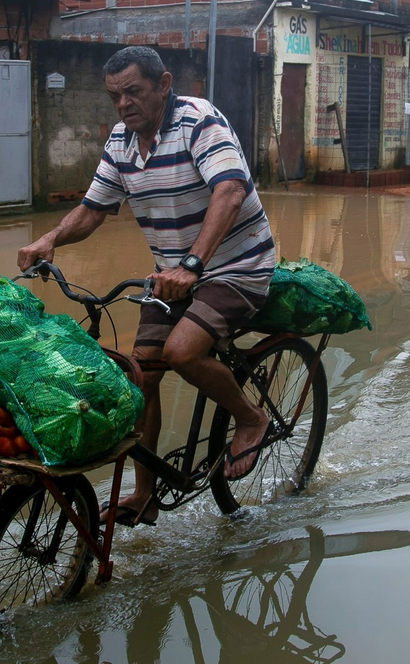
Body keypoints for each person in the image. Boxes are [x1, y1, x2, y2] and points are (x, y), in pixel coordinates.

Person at [17, 46, 276, 526]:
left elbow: (230, 190)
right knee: (139, 378)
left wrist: (194, 264)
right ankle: (145, 493)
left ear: (163, 84)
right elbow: (94, 209)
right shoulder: (121, 142)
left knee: (181, 353)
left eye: (132, 92)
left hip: (236, 268)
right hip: (171, 276)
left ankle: (250, 417)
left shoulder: (200, 121)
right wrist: (51, 238)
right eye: (114, 96)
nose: (123, 104)